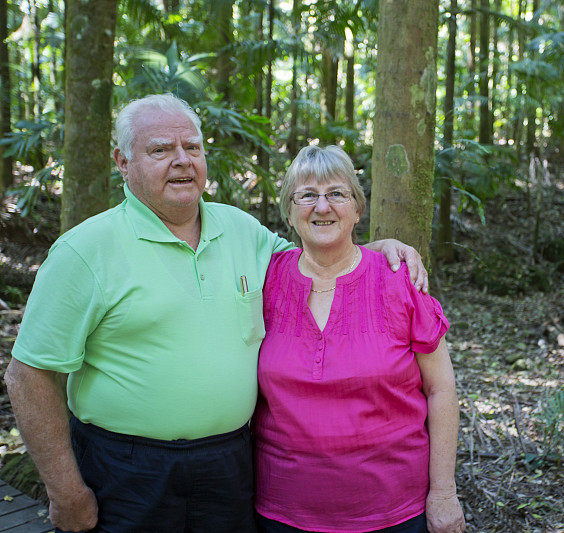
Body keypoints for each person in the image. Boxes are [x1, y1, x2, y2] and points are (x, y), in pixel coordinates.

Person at [5, 94, 427, 533]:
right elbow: (28, 375)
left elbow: (320, 259)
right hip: (126, 470)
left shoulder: (241, 230)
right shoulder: (84, 250)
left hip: (231, 465)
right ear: (122, 161)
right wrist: (64, 490)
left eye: (192, 147)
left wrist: (377, 251)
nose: (182, 161)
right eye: (160, 150)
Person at [253, 145, 466, 533]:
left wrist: (444, 494)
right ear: (288, 211)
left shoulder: (400, 280)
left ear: (357, 208)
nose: (322, 207)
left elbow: (442, 390)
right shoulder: (264, 281)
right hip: (282, 510)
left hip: (394, 511)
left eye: (337, 193)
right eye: (307, 195)